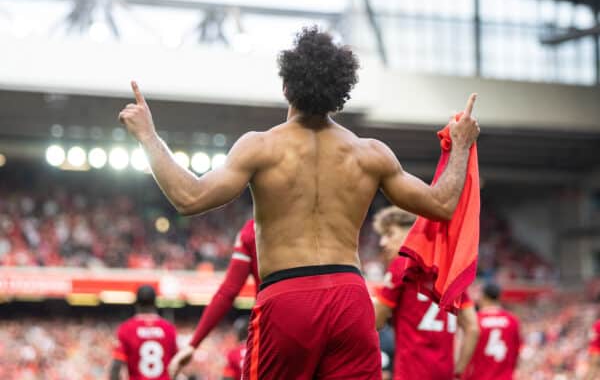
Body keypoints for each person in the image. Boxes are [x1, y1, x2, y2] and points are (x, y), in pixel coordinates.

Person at [117, 26, 480, 379]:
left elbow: (189, 197)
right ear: (342, 91)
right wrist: (461, 146)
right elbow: (442, 203)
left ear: (286, 85)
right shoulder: (371, 153)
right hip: (351, 298)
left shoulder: (260, 146)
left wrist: (148, 137)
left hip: (287, 298)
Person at [372, 206, 480, 379]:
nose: (382, 242)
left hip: (411, 373)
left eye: (390, 234)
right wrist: (458, 372)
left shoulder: (402, 265)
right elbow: (473, 328)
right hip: (444, 374)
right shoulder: (449, 270)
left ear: (411, 233)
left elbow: (376, 321)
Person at [168, 219, 258, 377]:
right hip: (315, 320)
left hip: (274, 330)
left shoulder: (252, 230)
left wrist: (193, 344)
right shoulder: (312, 220)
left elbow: (227, 292)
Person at [110, 285, 178, 380]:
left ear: (136, 303)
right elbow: (176, 364)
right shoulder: (168, 329)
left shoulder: (127, 328)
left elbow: (116, 367)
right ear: (155, 302)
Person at [462, 283, 521, 380]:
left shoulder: (475, 321)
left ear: (483, 296)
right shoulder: (512, 321)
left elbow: (466, 352)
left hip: (478, 377)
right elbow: (516, 352)